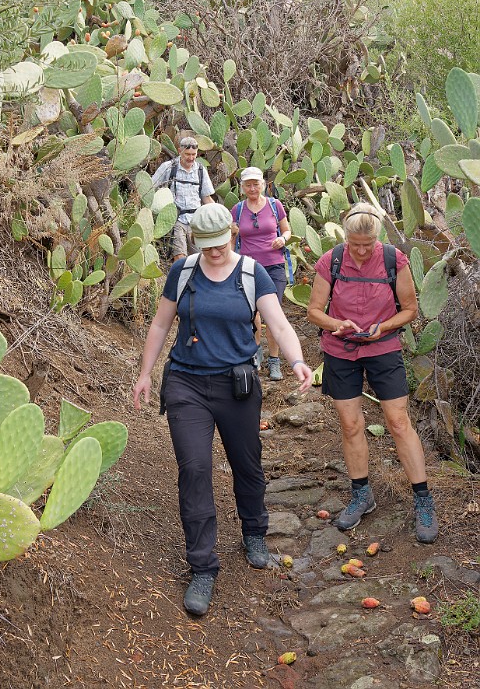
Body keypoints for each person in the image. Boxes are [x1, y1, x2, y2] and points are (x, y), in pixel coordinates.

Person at [133, 203, 312, 617]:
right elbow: (161, 324)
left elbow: (279, 323)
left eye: (221, 243)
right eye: (206, 245)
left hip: (237, 385)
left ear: (234, 233)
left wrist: (297, 359)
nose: (215, 252)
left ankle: (254, 532)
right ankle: (202, 567)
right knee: (194, 469)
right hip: (186, 383)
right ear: (196, 239)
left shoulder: (252, 273)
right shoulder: (183, 272)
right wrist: (145, 373)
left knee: (247, 464)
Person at [306, 202, 438, 544]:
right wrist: (337, 324)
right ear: (345, 238)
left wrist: (383, 327)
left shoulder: (395, 259)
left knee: (397, 421)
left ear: (377, 239)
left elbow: (409, 309)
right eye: (355, 245)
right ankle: (361, 494)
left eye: (368, 245)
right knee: (350, 424)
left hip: (383, 349)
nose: (361, 252)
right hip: (341, 351)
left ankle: (423, 499)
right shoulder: (331, 260)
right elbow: (314, 311)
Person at [231, 167, 292, 381]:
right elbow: (232, 238)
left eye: (256, 184)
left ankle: (274, 361)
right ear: (242, 188)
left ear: (263, 185)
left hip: (274, 266)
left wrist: (282, 239)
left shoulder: (275, 206)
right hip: (248, 267)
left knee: (273, 313)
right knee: (252, 312)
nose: (252, 188)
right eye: (248, 184)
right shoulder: (238, 209)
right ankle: (256, 351)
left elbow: (287, 230)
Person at [151, 136, 214, 261]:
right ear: (180, 151)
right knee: (180, 257)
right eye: (187, 154)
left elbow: (206, 198)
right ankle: (180, 280)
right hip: (176, 218)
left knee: (200, 258)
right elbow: (150, 188)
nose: (191, 158)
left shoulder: (201, 170)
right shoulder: (168, 167)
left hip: (196, 220)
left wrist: (220, 215)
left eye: (194, 154)